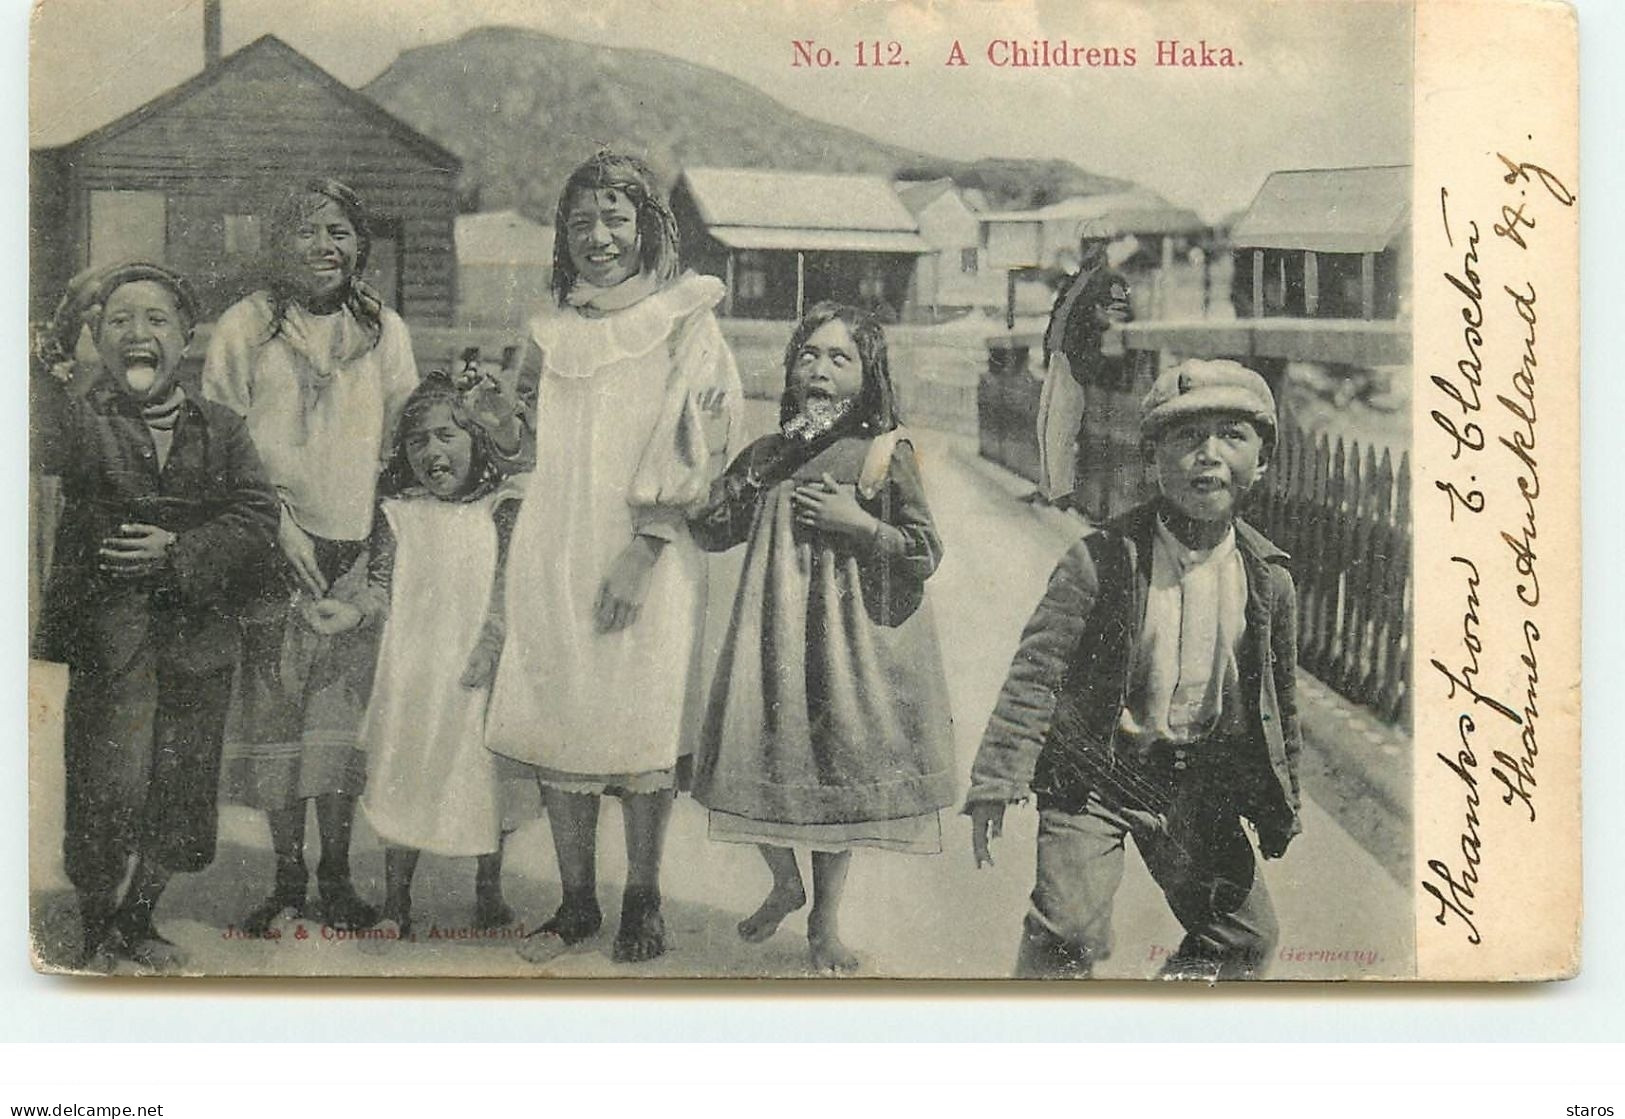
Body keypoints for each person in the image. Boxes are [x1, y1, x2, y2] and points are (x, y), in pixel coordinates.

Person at [480, 151, 742, 965]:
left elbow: (701, 441)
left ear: (646, 227)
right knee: (563, 715)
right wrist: (498, 421)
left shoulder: (686, 318)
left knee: (638, 721)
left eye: (616, 219)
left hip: (643, 551)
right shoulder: (549, 328)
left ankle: (642, 896)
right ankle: (575, 899)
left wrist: (645, 547)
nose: (598, 237)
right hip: (554, 543)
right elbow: (527, 444)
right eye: (582, 221)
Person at [966, 359, 1303, 981]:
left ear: (1262, 461)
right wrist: (995, 779)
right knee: (1068, 930)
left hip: (1194, 787)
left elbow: (1276, 702)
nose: (1207, 456)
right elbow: (1034, 677)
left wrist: (1279, 798)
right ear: (1151, 462)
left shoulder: (1268, 580)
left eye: (1232, 435)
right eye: (1184, 439)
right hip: (1093, 781)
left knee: (1244, 939)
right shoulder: (1100, 562)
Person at [689, 303, 957, 975]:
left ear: (868, 377)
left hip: (846, 647)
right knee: (754, 755)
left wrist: (857, 523)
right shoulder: (768, 452)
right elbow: (711, 529)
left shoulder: (882, 452)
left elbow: (924, 552)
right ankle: (783, 880)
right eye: (808, 355)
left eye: (840, 358)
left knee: (835, 774)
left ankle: (824, 922)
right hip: (769, 640)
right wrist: (722, 457)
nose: (820, 369)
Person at [32, 263, 279, 970]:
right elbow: (36, 422)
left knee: (181, 783)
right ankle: (94, 926)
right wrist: (54, 340)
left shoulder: (222, 427)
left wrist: (181, 549)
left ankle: (139, 919)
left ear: (186, 337)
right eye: (118, 321)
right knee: (106, 780)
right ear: (96, 340)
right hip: (112, 639)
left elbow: (256, 511)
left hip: (197, 636)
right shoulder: (83, 418)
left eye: (156, 320)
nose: (138, 334)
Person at [203, 178, 419, 934]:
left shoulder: (383, 329)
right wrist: (275, 523)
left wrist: (372, 549)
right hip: (267, 540)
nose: (324, 247)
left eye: (339, 231)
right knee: (276, 717)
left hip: (352, 544)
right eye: (305, 231)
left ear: (360, 243)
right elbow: (221, 442)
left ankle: (337, 874)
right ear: (278, 242)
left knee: (337, 719)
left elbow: (399, 443)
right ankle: (286, 877)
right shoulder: (246, 325)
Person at [305, 373, 526, 939]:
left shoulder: (501, 507)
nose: (432, 451)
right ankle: (396, 901)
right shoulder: (399, 511)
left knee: (481, 777)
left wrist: (490, 647)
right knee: (402, 773)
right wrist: (350, 613)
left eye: (448, 435)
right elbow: (378, 586)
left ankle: (489, 892)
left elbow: (507, 591)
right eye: (417, 441)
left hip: (478, 667)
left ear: (477, 439)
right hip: (410, 672)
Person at [1034, 234, 1134, 510]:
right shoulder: (1073, 280)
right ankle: (1049, 488)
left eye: (1096, 245)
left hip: (1079, 362)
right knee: (1045, 426)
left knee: (1062, 429)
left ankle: (1060, 493)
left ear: (1105, 248)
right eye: (1087, 244)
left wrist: (1103, 319)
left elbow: (1122, 314)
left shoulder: (1112, 280)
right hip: (1057, 358)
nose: (1090, 250)